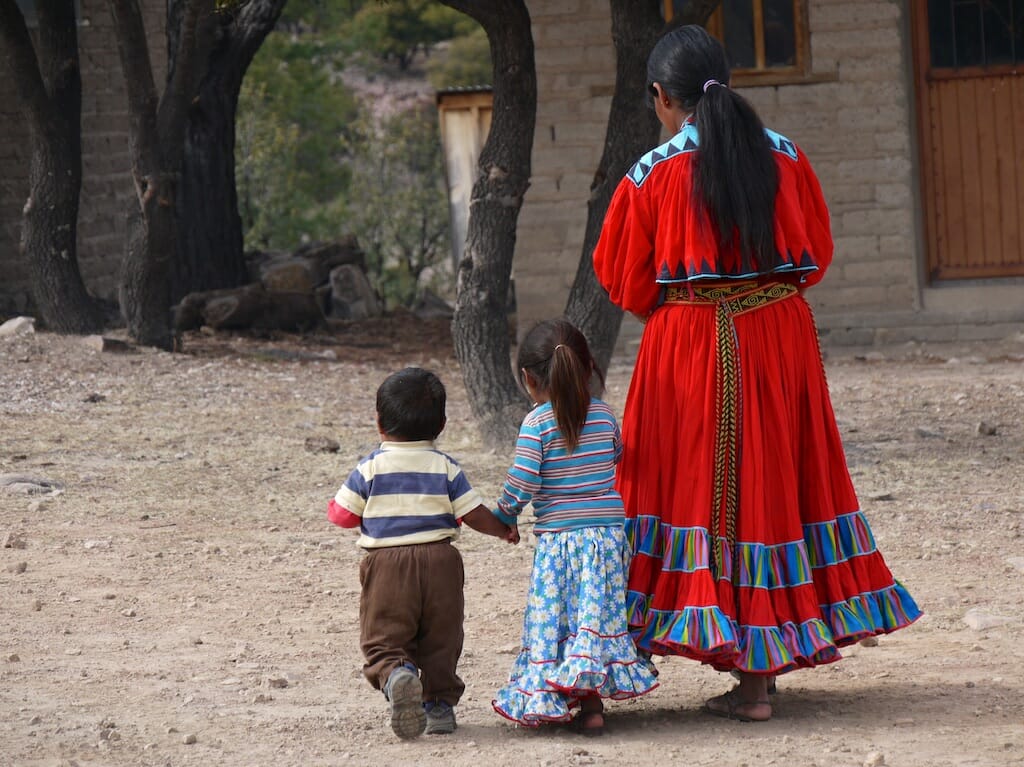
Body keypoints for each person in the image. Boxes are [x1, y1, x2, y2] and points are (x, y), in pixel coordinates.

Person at [591, 25, 921, 722]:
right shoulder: (787, 157)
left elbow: (624, 280)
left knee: (687, 488)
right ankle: (757, 680)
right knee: (768, 487)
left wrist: (689, 301)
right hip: (778, 337)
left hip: (690, 345)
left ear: (661, 96)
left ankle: (661, 662)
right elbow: (816, 252)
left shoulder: (650, 175)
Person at [327, 367, 516, 739]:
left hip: (386, 565)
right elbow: (473, 513)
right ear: (441, 425)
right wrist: (503, 529)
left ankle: (396, 674)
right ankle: (440, 705)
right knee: (442, 637)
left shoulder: (370, 468)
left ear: (379, 422)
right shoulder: (445, 467)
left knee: (384, 635)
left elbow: (342, 515)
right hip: (441, 562)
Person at [491, 319, 659, 736]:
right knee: (594, 616)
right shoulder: (603, 414)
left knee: (558, 619)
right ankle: (592, 703)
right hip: (608, 538)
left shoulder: (537, 425)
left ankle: (564, 696)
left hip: (561, 543)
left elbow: (523, 481)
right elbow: (615, 454)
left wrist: (506, 514)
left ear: (529, 379)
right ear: (587, 368)